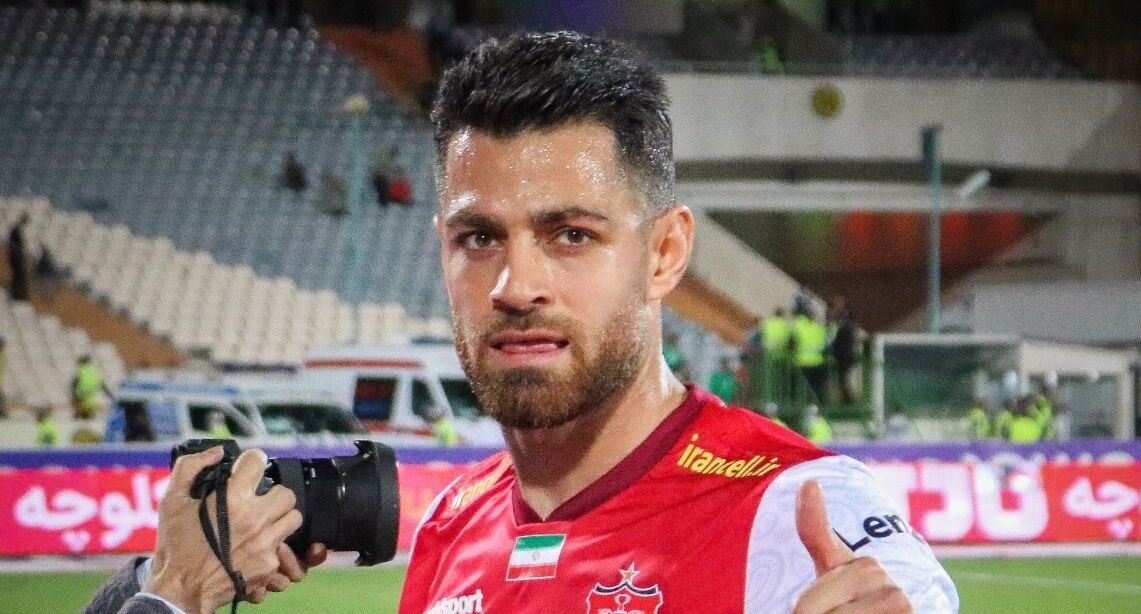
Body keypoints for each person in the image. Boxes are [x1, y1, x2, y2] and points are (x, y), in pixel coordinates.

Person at [86, 31, 957, 614]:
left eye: (570, 234)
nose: (513, 284)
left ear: (663, 253)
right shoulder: (453, 525)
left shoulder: (800, 511)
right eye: (479, 238)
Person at [792, 303, 829, 406]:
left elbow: (793, 342)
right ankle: (820, 405)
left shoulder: (800, 329)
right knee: (818, 387)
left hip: (803, 362)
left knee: (802, 387)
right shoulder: (819, 329)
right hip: (818, 362)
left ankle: (803, 404)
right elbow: (826, 344)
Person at [72, 355, 112, 420]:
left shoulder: (80, 371)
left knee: (79, 403)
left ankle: (80, 414)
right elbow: (103, 385)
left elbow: (74, 386)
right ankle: (87, 414)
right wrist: (110, 395)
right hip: (94, 400)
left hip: (83, 398)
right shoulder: (95, 371)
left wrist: (75, 397)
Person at [6, 213, 30, 301]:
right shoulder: (15, 230)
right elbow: (13, 245)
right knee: (17, 276)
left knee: (18, 276)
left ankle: (17, 294)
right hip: (15, 257)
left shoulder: (18, 231)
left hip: (17, 257)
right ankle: (15, 294)